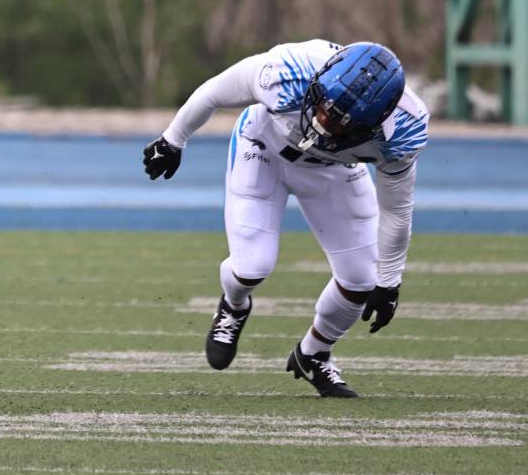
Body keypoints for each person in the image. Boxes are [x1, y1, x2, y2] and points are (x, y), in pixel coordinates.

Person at [142, 41, 426, 398]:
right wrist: (173, 139)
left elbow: (397, 210)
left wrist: (390, 281)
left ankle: (314, 354)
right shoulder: (288, 71)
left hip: (332, 171)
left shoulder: (402, 132)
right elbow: (214, 91)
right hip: (262, 150)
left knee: (362, 279)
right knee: (251, 266)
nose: (322, 121)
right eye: (324, 105)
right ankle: (234, 304)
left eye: (339, 121)